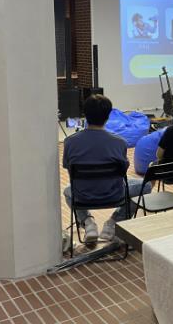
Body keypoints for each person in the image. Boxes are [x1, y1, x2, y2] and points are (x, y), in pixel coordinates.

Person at [62, 95, 151, 243]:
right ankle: (113, 223)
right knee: (146, 186)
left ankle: (88, 223)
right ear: (108, 116)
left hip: (82, 196)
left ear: (85, 115)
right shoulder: (119, 142)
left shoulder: (70, 142)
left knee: (67, 191)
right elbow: (123, 171)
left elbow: (69, 170)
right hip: (115, 194)